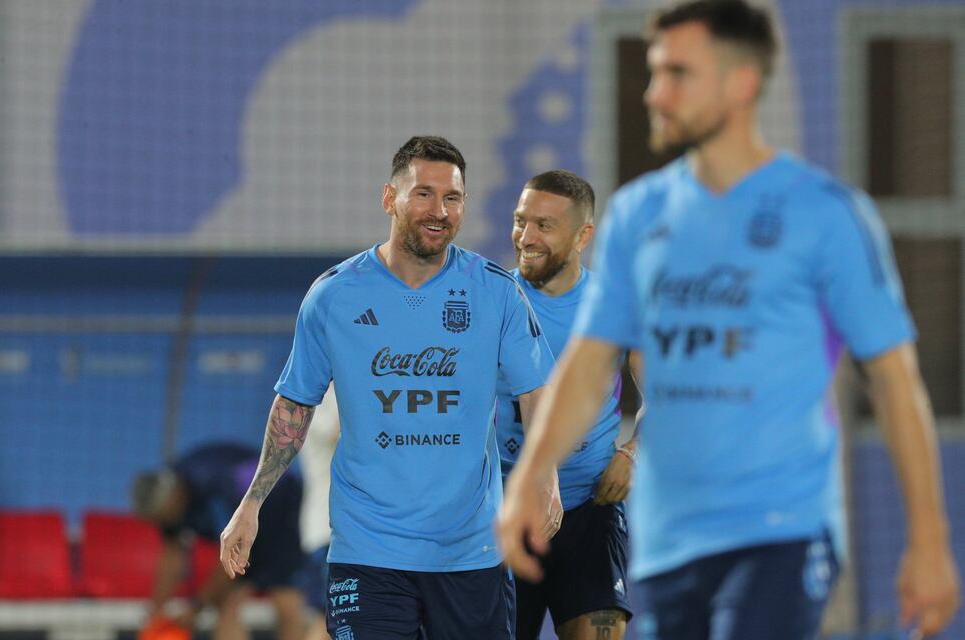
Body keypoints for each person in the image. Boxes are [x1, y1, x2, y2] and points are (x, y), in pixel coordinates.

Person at [495, 2, 962, 639]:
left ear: (741, 84)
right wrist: (531, 475)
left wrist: (930, 540)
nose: (654, 92)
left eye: (678, 74)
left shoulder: (825, 215)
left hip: (779, 528)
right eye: (654, 72)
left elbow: (896, 382)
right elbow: (585, 370)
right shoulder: (639, 216)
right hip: (669, 538)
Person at [219, 135, 557, 639]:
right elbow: (295, 405)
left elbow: (535, 393)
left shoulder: (496, 292)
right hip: (367, 550)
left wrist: (544, 475)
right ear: (388, 199)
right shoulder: (334, 296)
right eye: (423, 193)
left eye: (452, 197)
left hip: (470, 551)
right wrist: (251, 504)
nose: (439, 210)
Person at [495, 169, 637, 640]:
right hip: (504, 510)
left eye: (544, 226)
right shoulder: (490, 301)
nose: (525, 237)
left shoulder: (613, 308)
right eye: (521, 221)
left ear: (583, 236)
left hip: (589, 509)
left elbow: (670, 399)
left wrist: (634, 453)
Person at [131, 442, 309, 640]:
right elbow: (172, 557)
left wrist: (197, 607)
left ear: (175, 497)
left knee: (283, 596)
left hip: (278, 500)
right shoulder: (170, 508)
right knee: (227, 603)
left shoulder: (212, 487)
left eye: (164, 515)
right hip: (248, 516)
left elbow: (230, 556)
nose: (166, 522)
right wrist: (155, 612)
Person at [297, 382, 339, 640]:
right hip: (327, 531)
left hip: (343, 531)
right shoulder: (322, 397)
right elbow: (341, 433)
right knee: (327, 618)